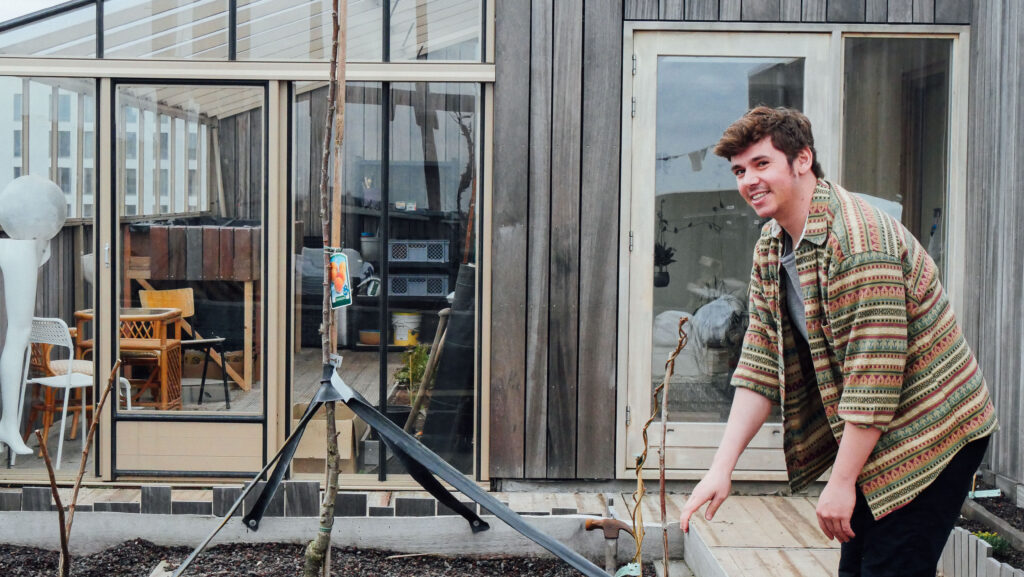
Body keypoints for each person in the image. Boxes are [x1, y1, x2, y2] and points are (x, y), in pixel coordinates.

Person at [677, 107, 997, 577]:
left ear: (802, 160)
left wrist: (842, 481)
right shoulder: (772, 245)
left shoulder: (859, 244)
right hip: (876, 430)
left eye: (762, 163)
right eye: (740, 171)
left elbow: (875, 377)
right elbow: (761, 359)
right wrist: (720, 469)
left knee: (892, 567)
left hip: (934, 429)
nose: (749, 181)